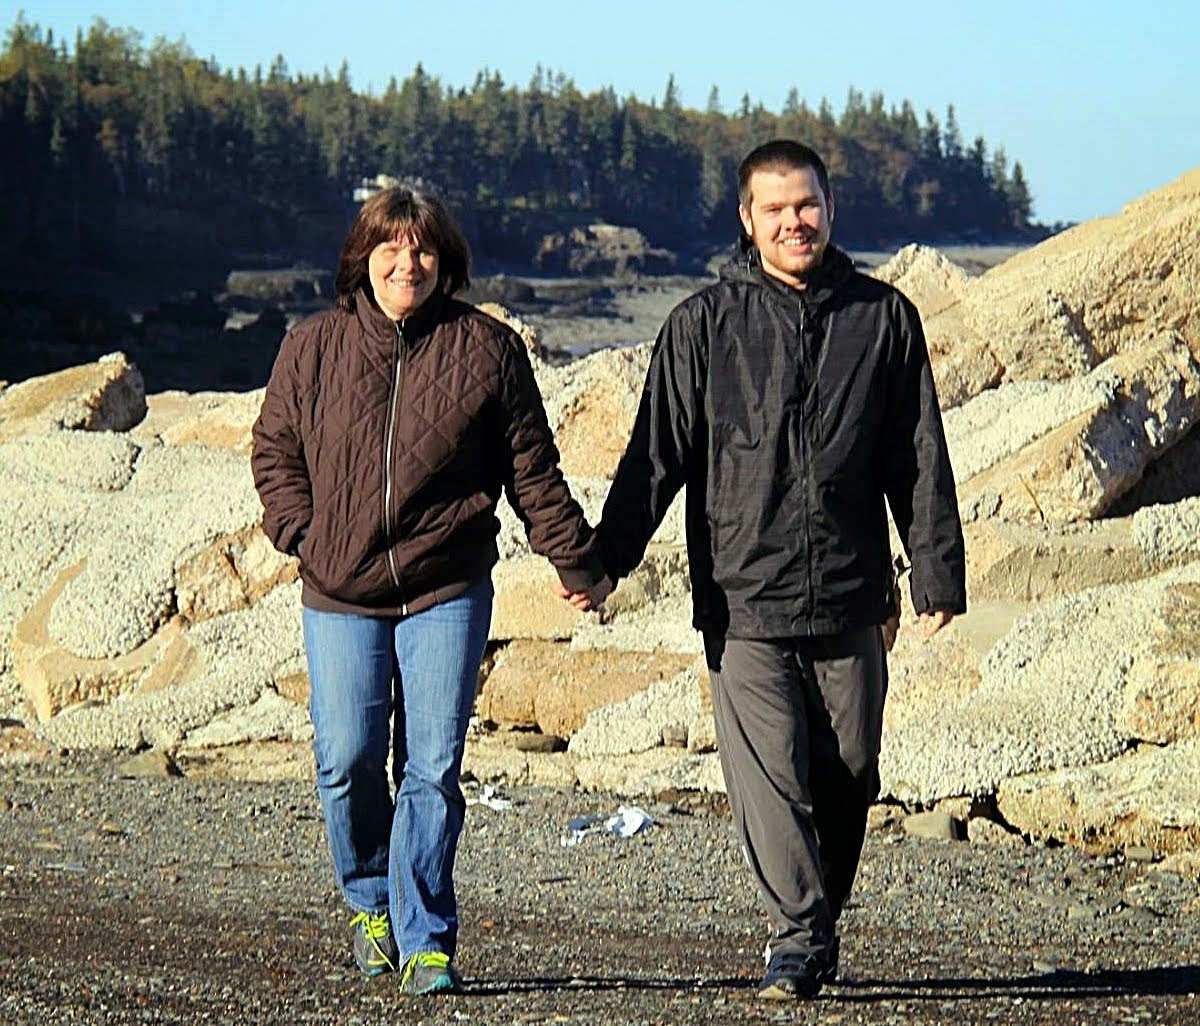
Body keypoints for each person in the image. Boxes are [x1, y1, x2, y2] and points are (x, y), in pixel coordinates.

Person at [562, 140, 966, 1001]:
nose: (795, 222)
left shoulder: (883, 318)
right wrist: (604, 564)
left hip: (853, 594)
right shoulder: (703, 325)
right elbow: (653, 460)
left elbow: (918, 455)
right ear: (747, 221)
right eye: (775, 209)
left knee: (851, 772)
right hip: (743, 600)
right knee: (770, 779)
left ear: (829, 207)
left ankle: (814, 925)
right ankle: (797, 938)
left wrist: (936, 573)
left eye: (807, 205)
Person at [252, 186, 604, 995]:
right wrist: (304, 534)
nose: (408, 264)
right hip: (339, 589)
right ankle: (369, 899)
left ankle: (426, 937)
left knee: (433, 767)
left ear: (444, 262)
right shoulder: (311, 347)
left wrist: (575, 561)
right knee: (345, 759)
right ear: (362, 258)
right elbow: (274, 452)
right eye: (391, 249)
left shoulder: (487, 348)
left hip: (446, 586)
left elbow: (531, 469)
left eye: (424, 251)